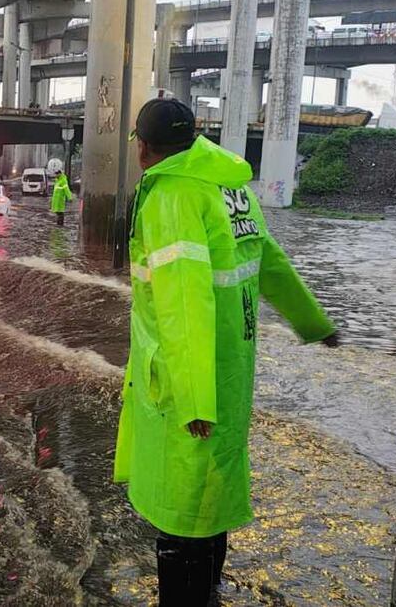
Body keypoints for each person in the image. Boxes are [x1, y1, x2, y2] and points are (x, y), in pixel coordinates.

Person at [113, 99, 338, 605]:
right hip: (231, 372)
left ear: (144, 149)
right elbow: (270, 262)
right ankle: (211, 591)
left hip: (185, 380)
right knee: (210, 493)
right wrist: (313, 322)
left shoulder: (173, 197)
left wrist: (194, 399)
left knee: (181, 505)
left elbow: (184, 304)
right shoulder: (228, 186)